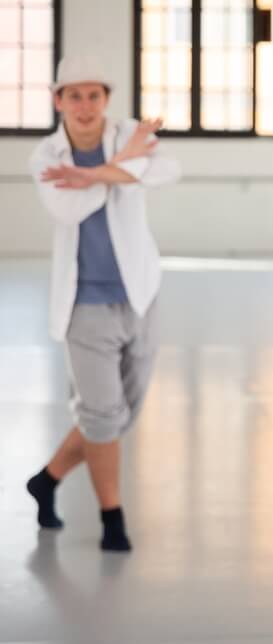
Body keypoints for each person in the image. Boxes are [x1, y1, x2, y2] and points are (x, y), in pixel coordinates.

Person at [25, 54, 181, 552]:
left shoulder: (130, 132)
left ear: (106, 100)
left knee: (121, 414)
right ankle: (112, 515)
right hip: (84, 304)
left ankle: (47, 479)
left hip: (139, 294)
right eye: (74, 95)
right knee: (99, 414)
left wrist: (95, 172)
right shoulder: (46, 155)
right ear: (58, 101)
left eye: (94, 95)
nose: (85, 105)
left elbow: (169, 171)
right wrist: (122, 169)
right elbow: (67, 205)